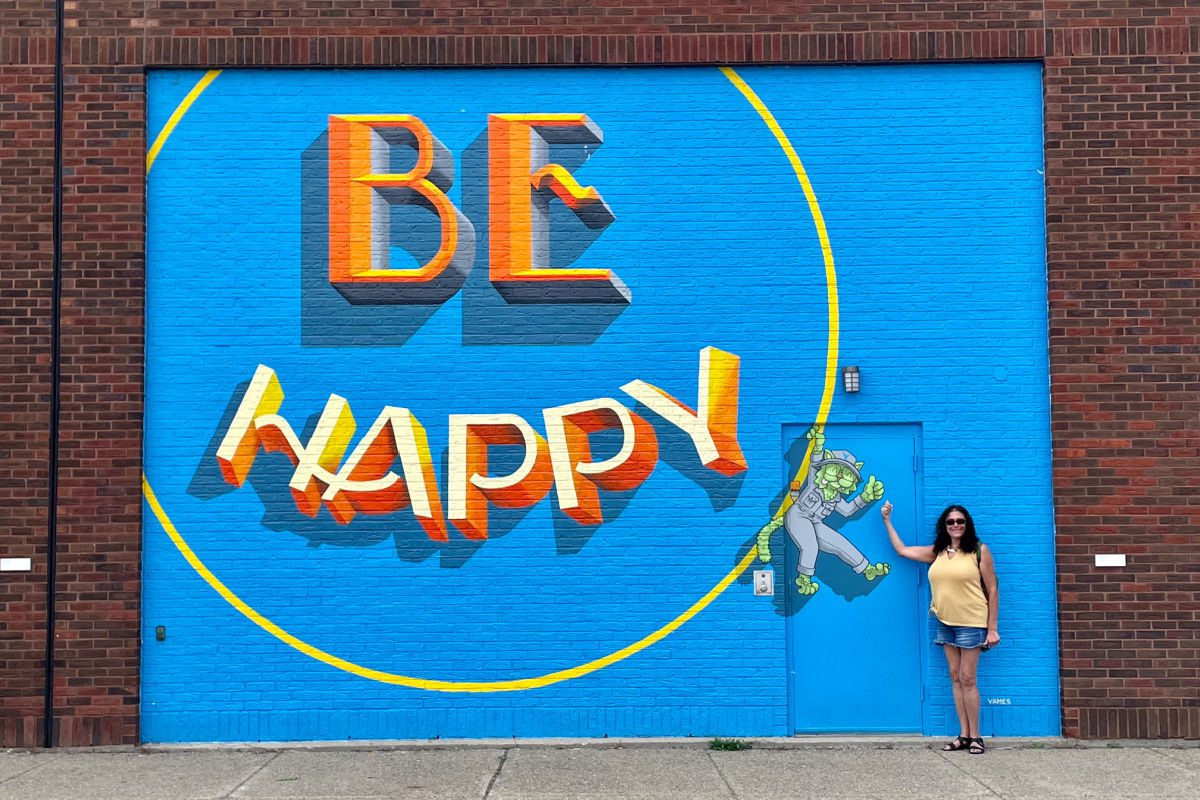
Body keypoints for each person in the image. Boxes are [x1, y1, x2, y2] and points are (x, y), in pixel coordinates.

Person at [881, 501, 999, 754]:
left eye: (960, 521)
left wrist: (992, 628)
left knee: (968, 678)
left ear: (967, 525)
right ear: (944, 526)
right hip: (945, 622)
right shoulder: (937, 552)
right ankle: (964, 735)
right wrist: (887, 521)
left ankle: (977, 736)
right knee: (955, 678)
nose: (955, 525)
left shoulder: (979, 551)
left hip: (972, 622)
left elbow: (992, 589)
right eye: (951, 522)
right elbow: (902, 550)